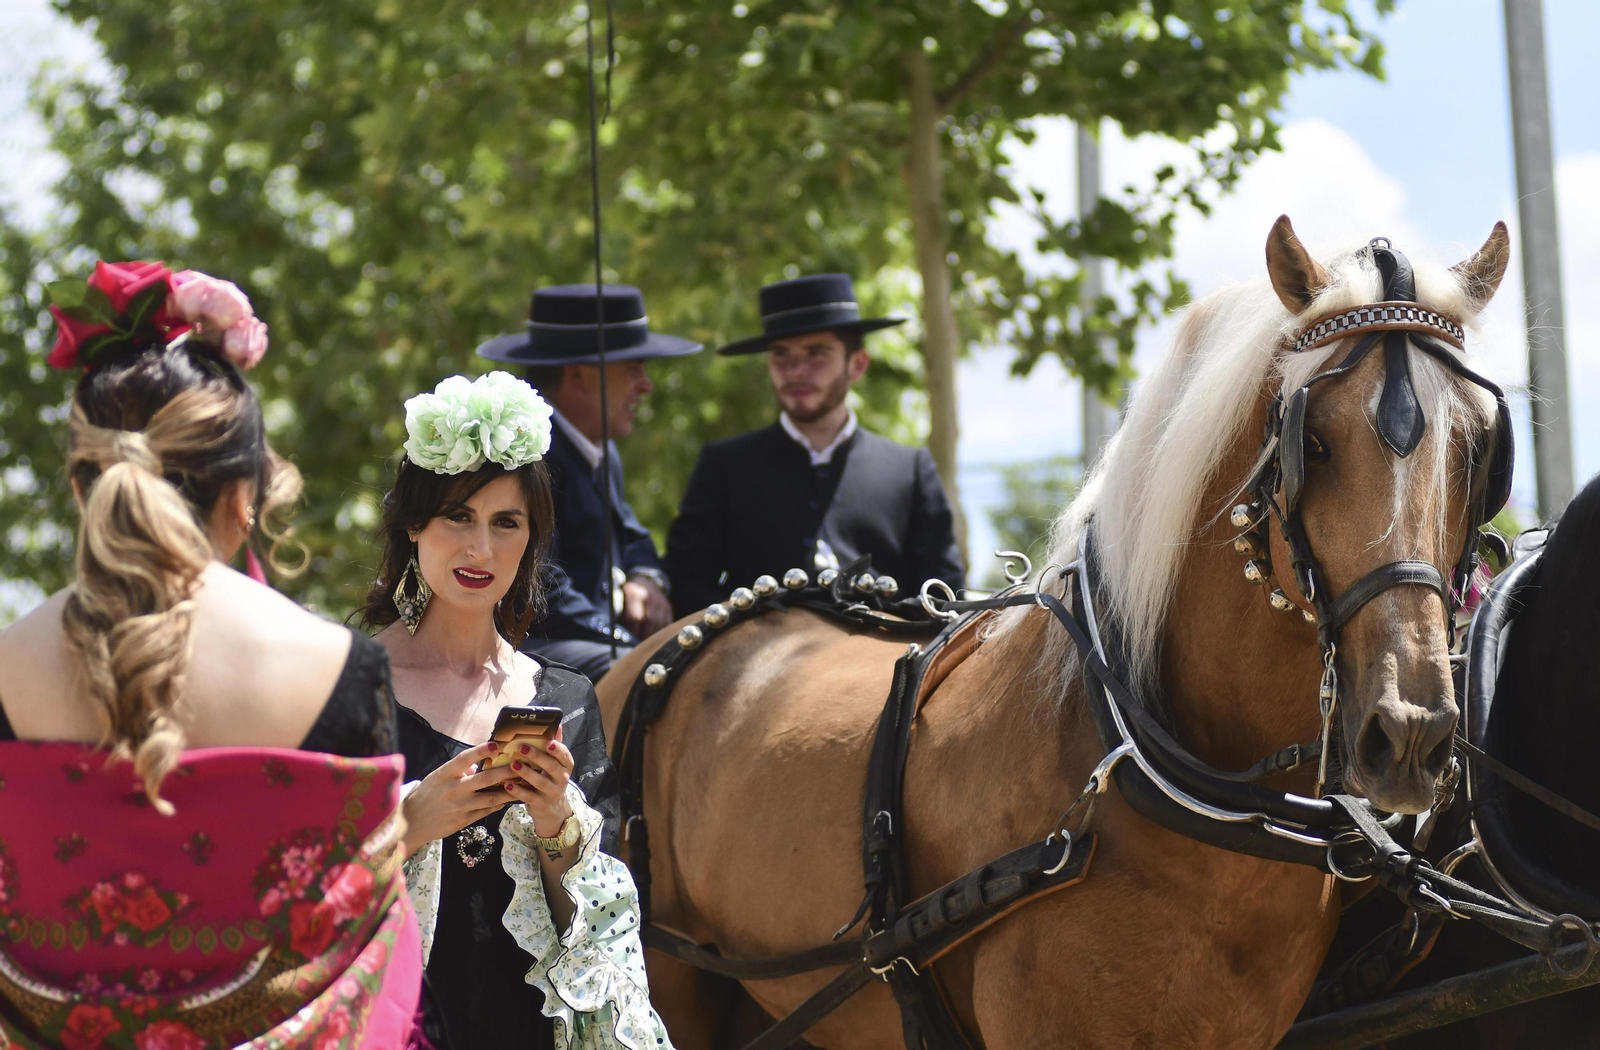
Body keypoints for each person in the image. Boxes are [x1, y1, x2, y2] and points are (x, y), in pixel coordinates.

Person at [0, 261, 420, 1048]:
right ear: (243, 496)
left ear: (83, 489)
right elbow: (372, 939)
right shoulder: (339, 665)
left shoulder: (6, 666)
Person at [365, 371, 669, 1049]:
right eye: (458, 517)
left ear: (532, 538)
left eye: (507, 523)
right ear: (415, 523)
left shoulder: (565, 699)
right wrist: (406, 829)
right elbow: (291, 892)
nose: (481, 549)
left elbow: (593, 932)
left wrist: (559, 827)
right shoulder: (347, 687)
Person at [663, 273, 965, 615]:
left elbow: (943, 598)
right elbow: (686, 583)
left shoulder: (909, 470)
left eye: (816, 353)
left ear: (857, 365)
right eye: (780, 355)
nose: (796, 371)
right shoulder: (724, 465)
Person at [476, 284, 701, 679]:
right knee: (655, 673)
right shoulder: (524, 459)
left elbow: (631, 535)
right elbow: (538, 578)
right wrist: (617, 637)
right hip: (532, 645)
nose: (646, 385)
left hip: (595, 642)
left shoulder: (602, 451)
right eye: (633, 369)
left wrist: (645, 579)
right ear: (578, 376)